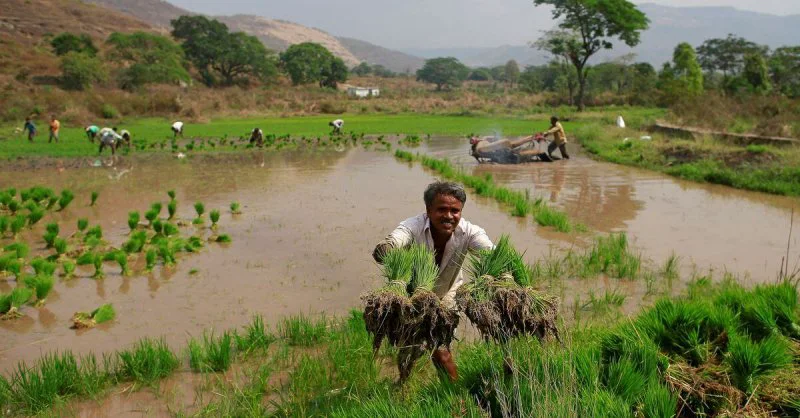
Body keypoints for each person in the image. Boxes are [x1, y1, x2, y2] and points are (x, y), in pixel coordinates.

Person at [372, 181, 493, 382]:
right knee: (408, 345)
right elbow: (396, 239)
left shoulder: (470, 232)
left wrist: (503, 274)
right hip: (413, 295)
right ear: (428, 210)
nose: (448, 216)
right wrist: (387, 249)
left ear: (461, 211)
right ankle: (404, 381)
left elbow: (490, 253)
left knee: (441, 349)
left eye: (455, 211)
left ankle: (452, 396)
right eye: (442, 210)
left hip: (447, 294)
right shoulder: (413, 227)